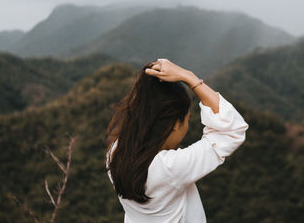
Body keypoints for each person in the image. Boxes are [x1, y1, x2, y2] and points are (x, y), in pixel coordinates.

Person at [105, 58, 249, 223]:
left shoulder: (115, 153)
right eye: (187, 120)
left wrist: (148, 86)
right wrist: (189, 77)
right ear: (174, 124)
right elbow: (232, 130)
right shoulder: (170, 168)